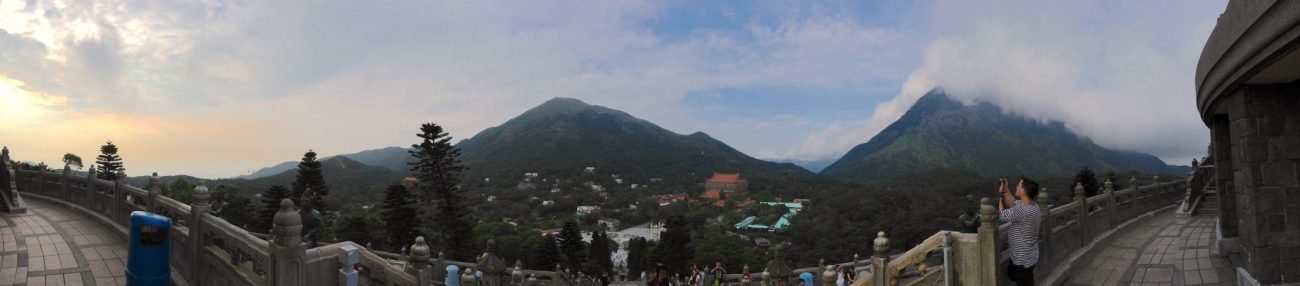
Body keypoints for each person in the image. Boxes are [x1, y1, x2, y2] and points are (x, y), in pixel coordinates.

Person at [998, 177, 1041, 286]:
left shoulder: (1022, 210)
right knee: (1016, 276)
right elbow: (1013, 204)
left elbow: (1002, 215)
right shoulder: (1034, 206)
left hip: (1022, 260)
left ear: (1024, 191)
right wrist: (1006, 190)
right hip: (1027, 255)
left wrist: (1000, 195)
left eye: (1019, 186)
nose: (1016, 187)